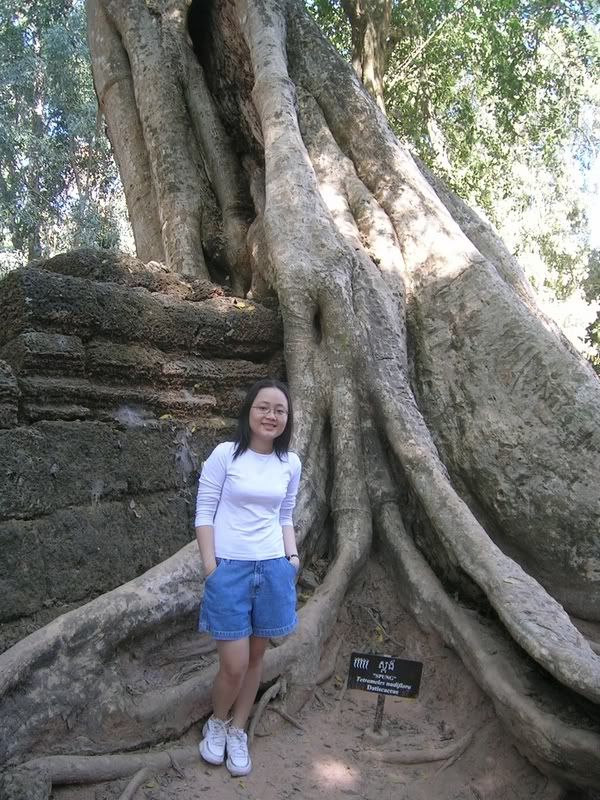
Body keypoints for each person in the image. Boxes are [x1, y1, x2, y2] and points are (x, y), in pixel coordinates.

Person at [194, 378, 302, 777]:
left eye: (280, 410)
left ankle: (239, 729)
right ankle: (217, 722)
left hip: (273, 568)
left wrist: (292, 557)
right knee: (234, 664)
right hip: (230, 570)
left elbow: (285, 514)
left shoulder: (290, 462)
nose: (271, 415)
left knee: (257, 658)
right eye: (264, 407)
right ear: (249, 411)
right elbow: (204, 512)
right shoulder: (225, 455)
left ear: (287, 419)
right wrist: (211, 568)